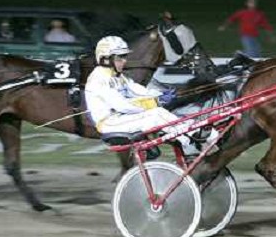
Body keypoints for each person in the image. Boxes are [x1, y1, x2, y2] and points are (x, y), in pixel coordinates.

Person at [85, 35, 217, 155]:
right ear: (106, 59)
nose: (124, 61)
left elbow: (139, 90)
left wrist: (160, 94)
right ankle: (193, 138)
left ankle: (195, 132)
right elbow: (123, 106)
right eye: (120, 57)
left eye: (124, 56)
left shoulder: (118, 76)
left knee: (160, 112)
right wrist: (153, 102)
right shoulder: (99, 79)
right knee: (156, 114)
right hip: (110, 123)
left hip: (121, 118)